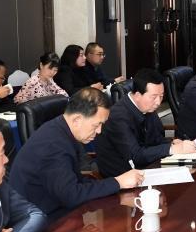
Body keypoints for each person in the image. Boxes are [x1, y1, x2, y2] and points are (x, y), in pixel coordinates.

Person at [9, 88, 143, 220]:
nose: (99, 131)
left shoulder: (61, 130)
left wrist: (114, 183)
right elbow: (71, 196)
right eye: (96, 125)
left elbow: (76, 182)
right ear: (77, 120)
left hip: (56, 209)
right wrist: (118, 182)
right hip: (42, 220)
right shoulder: (53, 145)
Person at [95, 69, 196, 178]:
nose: (158, 102)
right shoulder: (117, 117)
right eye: (154, 97)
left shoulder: (147, 106)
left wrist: (172, 143)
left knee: (192, 172)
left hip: (147, 167)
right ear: (138, 95)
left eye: (161, 96)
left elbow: (156, 139)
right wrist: (171, 149)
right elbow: (136, 156)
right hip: (123, 176)